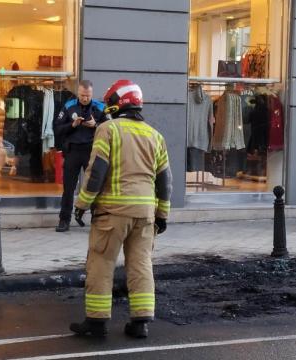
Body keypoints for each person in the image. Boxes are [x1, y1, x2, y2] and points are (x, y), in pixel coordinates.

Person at [69, 80, 172, 338]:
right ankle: (141, 323)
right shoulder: (155, 135)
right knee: (140, 264)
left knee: (101, 263)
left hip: (112, 213)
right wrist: (162, 215)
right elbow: (165, 180)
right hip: (145, 215)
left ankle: (96, 322)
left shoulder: (107, 130)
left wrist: (82, 204)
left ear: (118, 103)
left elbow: (96, 173)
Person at [54, 80, 107, 232]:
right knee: (68, 188)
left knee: (95, 186)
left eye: (88, 96)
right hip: (73, 151)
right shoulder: (69, 106)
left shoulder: (100, 107)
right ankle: (64, 220)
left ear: (92, 93)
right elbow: (57, 128)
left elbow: (110, 129)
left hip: (92, 151)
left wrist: (95, 126)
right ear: (78, 93)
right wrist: (72, 125)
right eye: (83, 95)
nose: (85, 98)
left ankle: (97, 219)